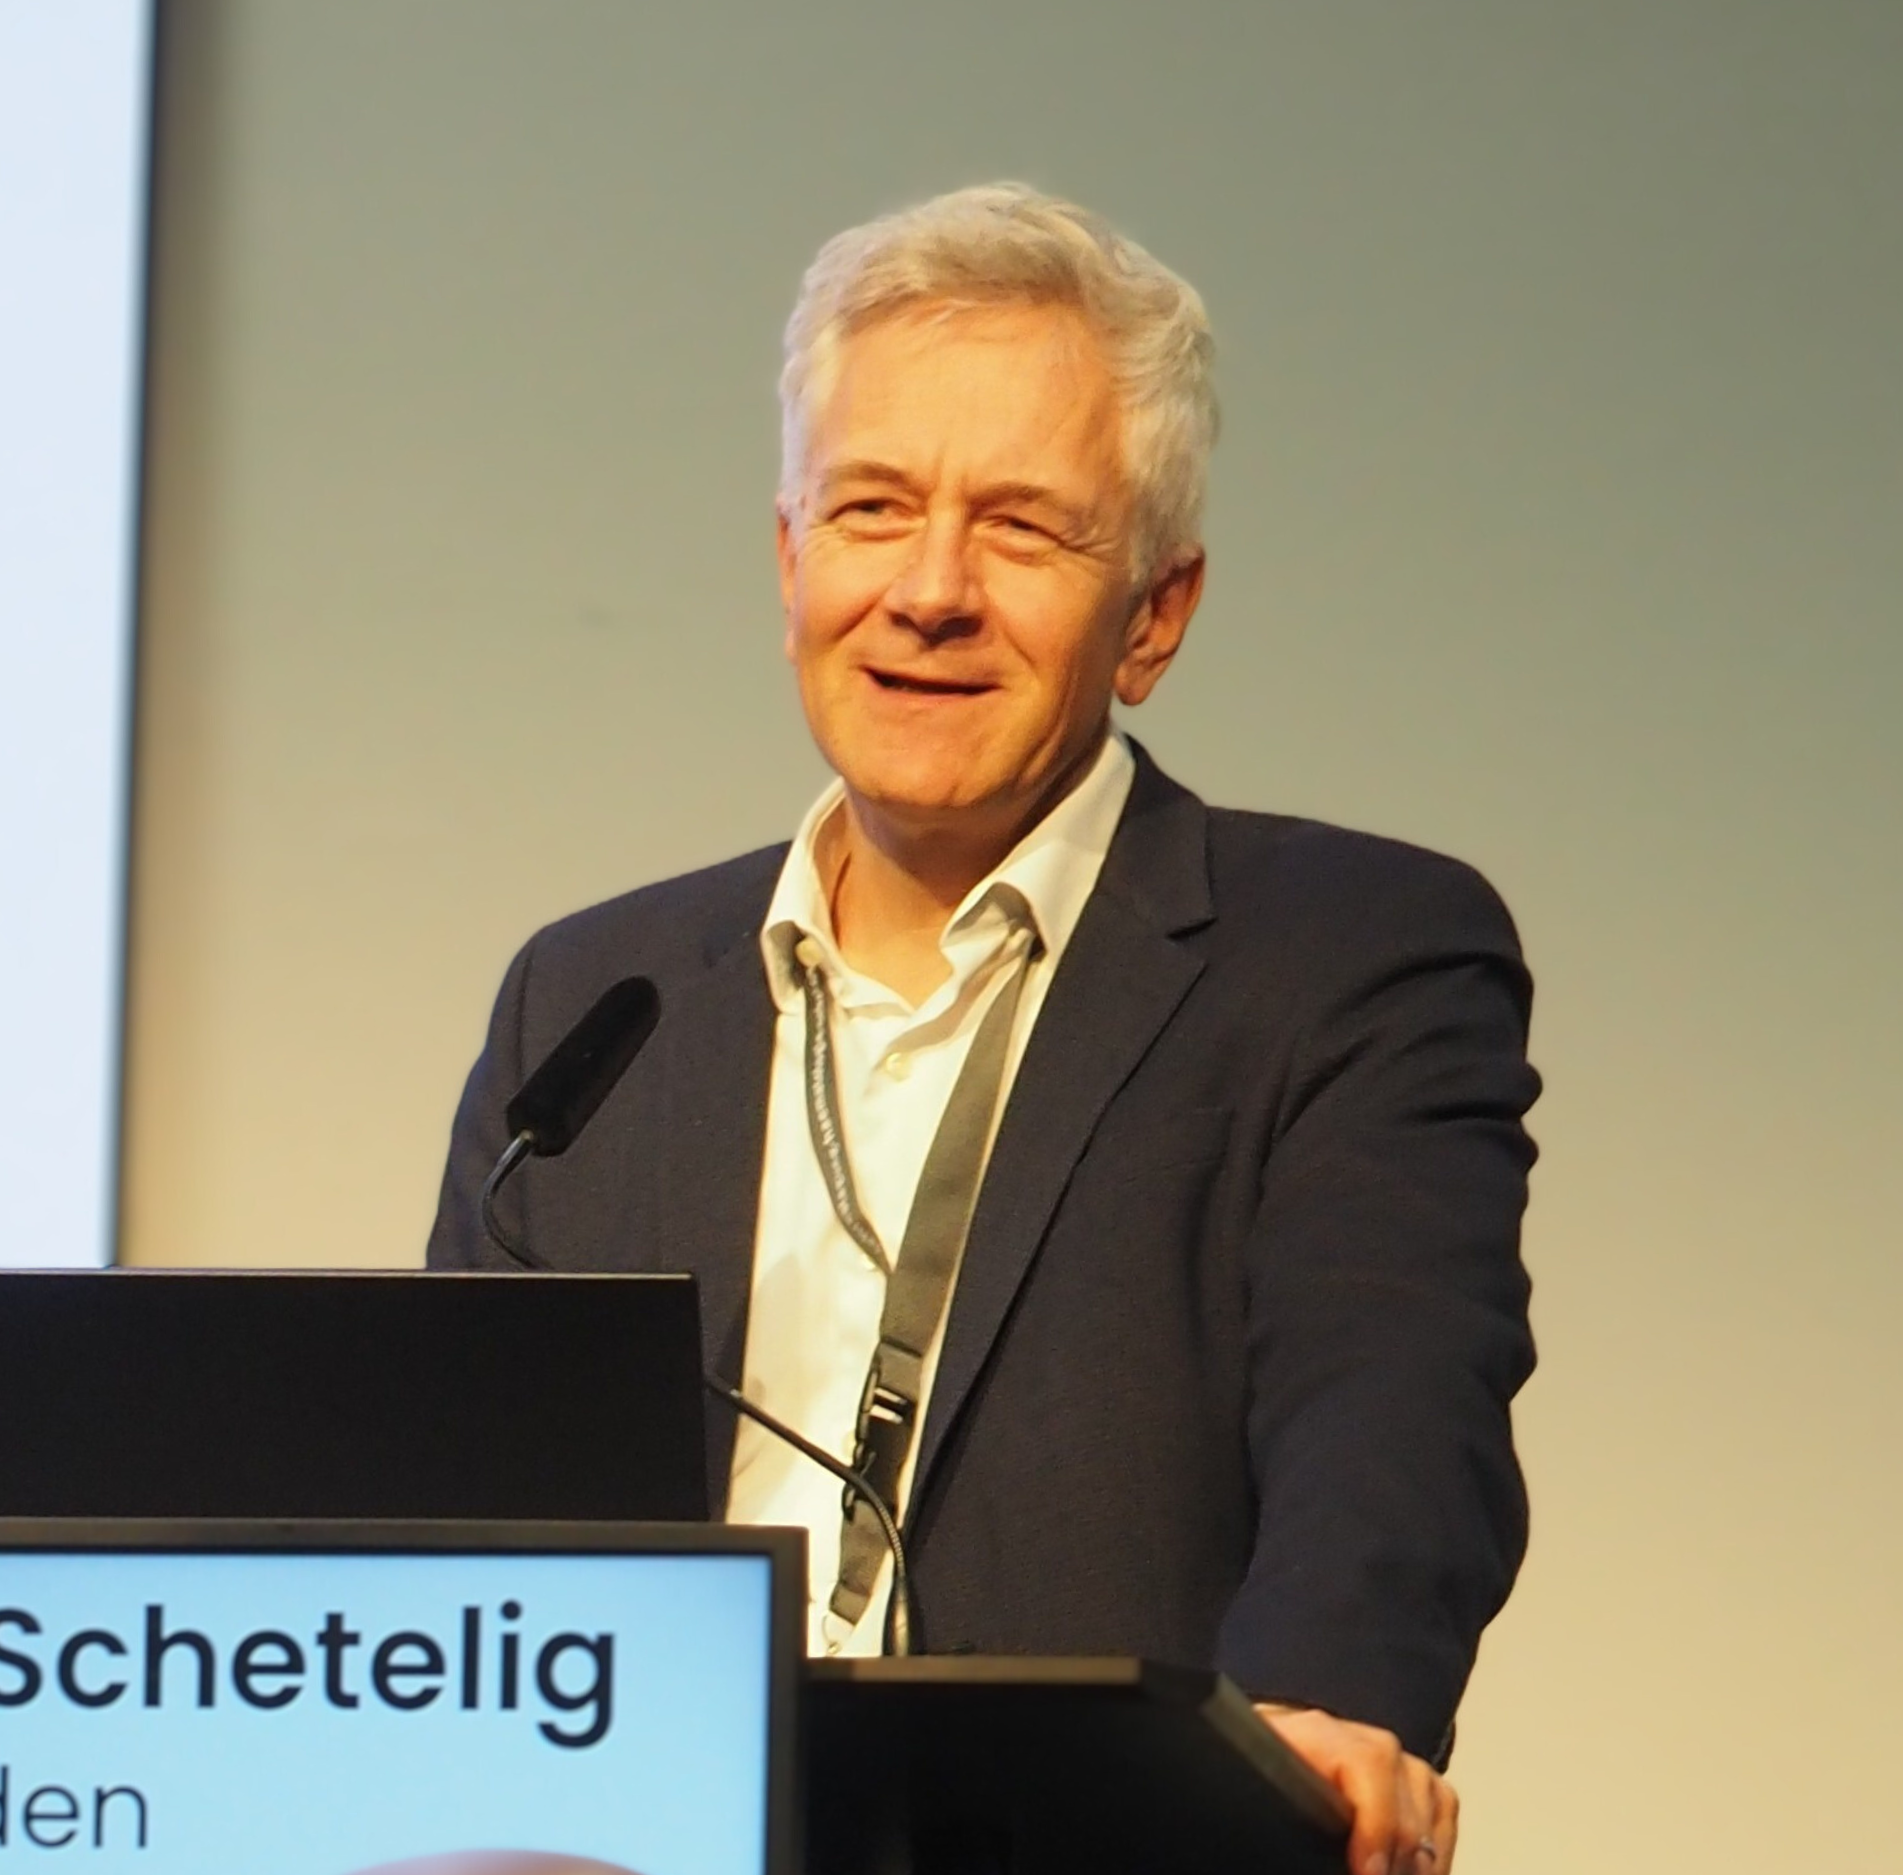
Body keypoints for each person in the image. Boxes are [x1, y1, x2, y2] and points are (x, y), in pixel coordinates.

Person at [424, 183, 1532, 1875]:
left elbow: (1390, 1414)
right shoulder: (593, 1004)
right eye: (873, 509)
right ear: (792, 560)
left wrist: (1315, 1721)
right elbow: (460, 1543)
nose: (930, 590)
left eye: (1022, 529)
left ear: (1155, 611)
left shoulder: (1347, 959)